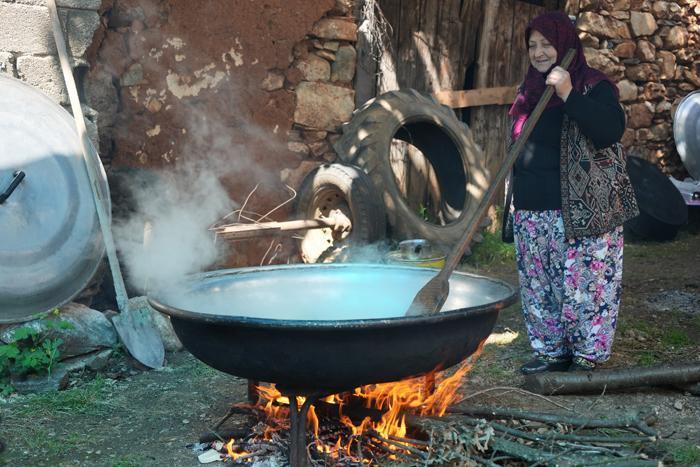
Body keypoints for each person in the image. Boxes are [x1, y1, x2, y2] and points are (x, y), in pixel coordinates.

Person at [504, 11, 639, 374]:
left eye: (547, 44)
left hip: (582, 210)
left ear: (564, 44)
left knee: (585, 285)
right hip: (532, 208)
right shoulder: (529, 90)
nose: (539, 52)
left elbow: (610, 129)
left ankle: (586, 355)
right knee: (541, 285)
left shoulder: (591, 85)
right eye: (532, 45)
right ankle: (551, 351)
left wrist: (567, 94)